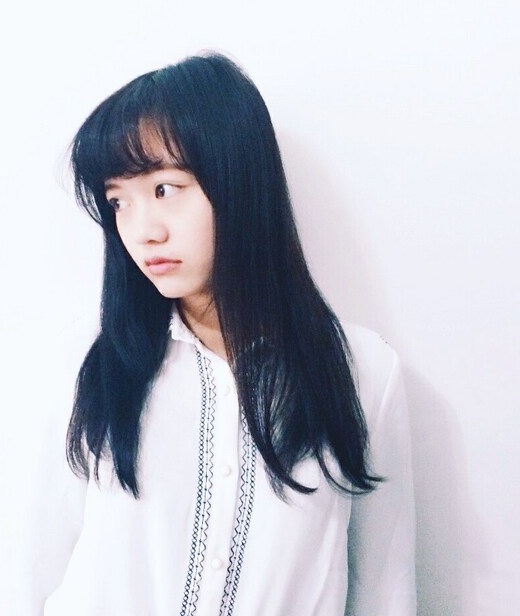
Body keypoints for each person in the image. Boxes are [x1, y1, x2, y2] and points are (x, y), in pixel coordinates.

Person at [36, 52, 416, 615]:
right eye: (119, 201)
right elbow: (33, 570)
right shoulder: (86, 361)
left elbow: (384, 590)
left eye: (165, 189)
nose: (143, 230)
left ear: (240, 181)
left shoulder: (362, 373)